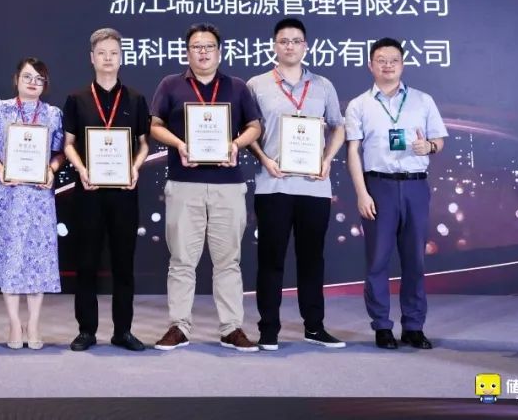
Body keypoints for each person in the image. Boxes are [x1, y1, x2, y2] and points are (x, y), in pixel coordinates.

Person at [150, 23, 262, 352]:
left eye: (209, 46)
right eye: (196, 47)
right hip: (184, 183)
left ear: (219, 52)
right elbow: (155, 125)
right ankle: (179, 326)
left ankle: (231, 328)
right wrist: (179, 144)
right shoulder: (170, 85)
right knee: (181, 260)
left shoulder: (237, 87)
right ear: (187, 52)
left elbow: (255, 126)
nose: (203, 52)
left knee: (228, 261)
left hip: (228, 185)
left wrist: (236, 144)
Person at [246, 18, 347, 351]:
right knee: (271, 260)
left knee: (312, 260)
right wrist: (264, 159)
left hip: (314, 187)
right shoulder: (257, 85)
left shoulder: (323, 85)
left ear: (306, 46)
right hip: (272, 185)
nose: (290, 46)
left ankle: (314, 327)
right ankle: (268, 330)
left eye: (296, 41)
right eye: (284, 41)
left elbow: (338, 126)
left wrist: (327, 159)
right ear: (274, 45)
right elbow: (248, 131)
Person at [346, 37, 447, 350]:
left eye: (393, 60)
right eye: (381, 60)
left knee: (415, 260)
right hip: (379, 187)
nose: (387, 65)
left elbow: (439, 140)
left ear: (402, 65)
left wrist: (429, 147)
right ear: (370, 65)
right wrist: (362, 193)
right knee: (378, 260)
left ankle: (414, 326)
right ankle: (382, 326)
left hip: (416, 185)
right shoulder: (359, 105)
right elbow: (353, 152)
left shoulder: (423, 100)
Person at [62, 28, 151, 352]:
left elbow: (144, 144)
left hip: (124, 192)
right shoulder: (77, 99)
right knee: (85, 262)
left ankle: (123, 331)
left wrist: (135, 167)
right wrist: (82, 169)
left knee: (123, 264)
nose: (108, 58)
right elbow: (68, 144)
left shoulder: (136, 99)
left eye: (114, 53)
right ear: (92, 58)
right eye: (102, 53)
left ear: (121, 58)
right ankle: (86, 330)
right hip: (88, 190)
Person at [0, 58, 65, 350]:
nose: (33, 83)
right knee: (10, 257)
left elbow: (59, 152)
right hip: (7, 194)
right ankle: (14, 322)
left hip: (39, 196)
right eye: (28, 77)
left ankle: (35, 323)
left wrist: (51, 170)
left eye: (39, 79)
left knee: (37, 258)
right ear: (17, 79)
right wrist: (0, 168)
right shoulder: (0, 109)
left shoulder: (53, 114)